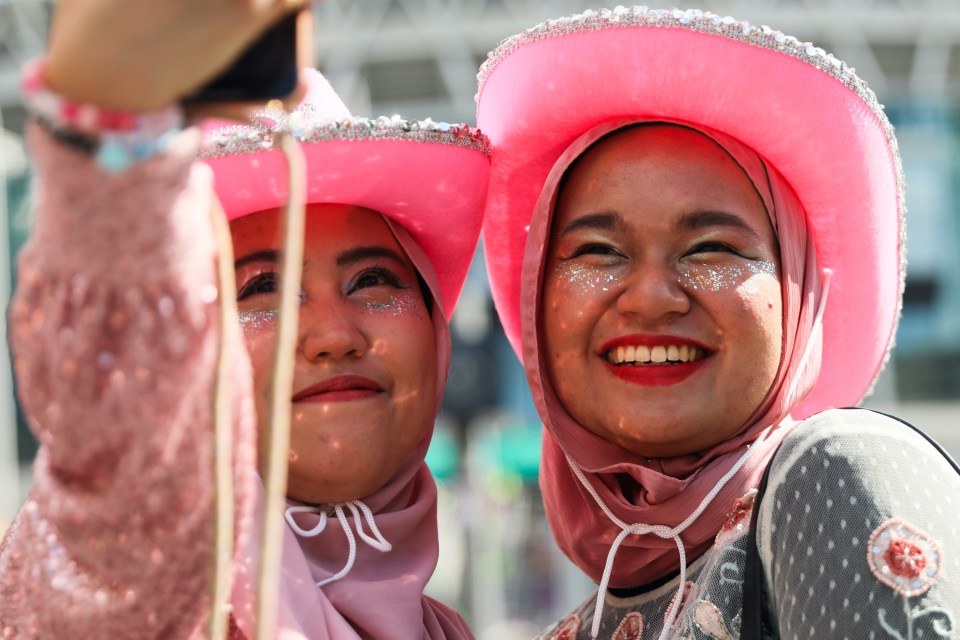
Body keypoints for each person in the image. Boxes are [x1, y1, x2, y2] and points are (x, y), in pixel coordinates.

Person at [0, 1, 489, 638]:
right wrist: (106, 127)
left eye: (373, 281)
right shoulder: (145, 583)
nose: (333, 336)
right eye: (261, 289)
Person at [476, 6, 960, 640]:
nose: (650, 298)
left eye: (711, 248)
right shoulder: (575, 626)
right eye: (598, 252)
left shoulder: (830, 480)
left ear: (798, 294)